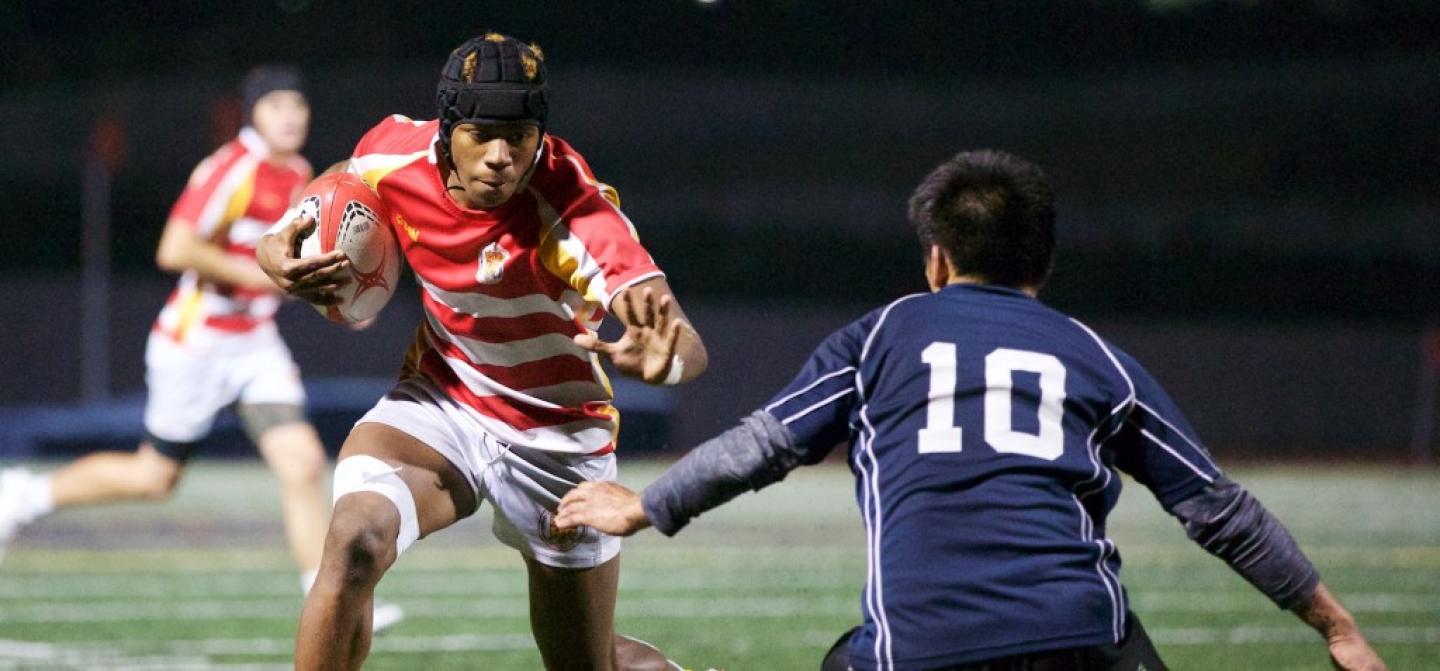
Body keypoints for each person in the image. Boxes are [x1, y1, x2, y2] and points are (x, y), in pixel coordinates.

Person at [553, 151, 1388, 671]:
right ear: (1044, 262)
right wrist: (1337, 627)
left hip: (923, 651)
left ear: (937, 259)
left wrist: (646, 504)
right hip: (1081, 645)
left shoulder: (880, 337)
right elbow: (1218, 510)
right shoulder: (1096, 357)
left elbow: (764, 444)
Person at [256, 34, 708, 670]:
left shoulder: (573, 212)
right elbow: (346, 175)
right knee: (355, 540)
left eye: (519, 137)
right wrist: (276, 239)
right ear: (447, 131)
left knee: (585, 663)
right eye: (481, 135)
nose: (500, 157)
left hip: (554, 437)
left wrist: (668, 358)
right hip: (443, 400)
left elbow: (680, 337)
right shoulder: (395, 151)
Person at [0, 66, 401, 631]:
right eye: (276, 106)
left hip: (254, 344)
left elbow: (294, 260)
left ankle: (326, 600)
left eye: (298, 106)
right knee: (155, 476)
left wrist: (341, 295)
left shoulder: (299, 174)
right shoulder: (233, 168)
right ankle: (23, 494)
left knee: (303, 462)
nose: (290, 116)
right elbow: (174, 247)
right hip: (198, 341)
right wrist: (263, 276)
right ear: (252, 114)